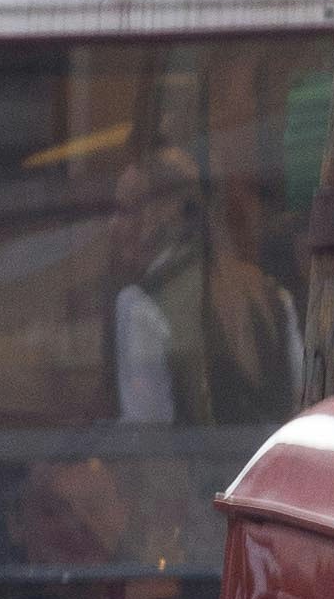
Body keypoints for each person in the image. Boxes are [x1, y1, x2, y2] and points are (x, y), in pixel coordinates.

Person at [108, 137, 302, 427]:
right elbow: (302, 401)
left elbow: (147, 435)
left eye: (126, 210)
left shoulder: (139, 305)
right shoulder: (273, 295)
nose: (113, 226)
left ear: (164, 213)